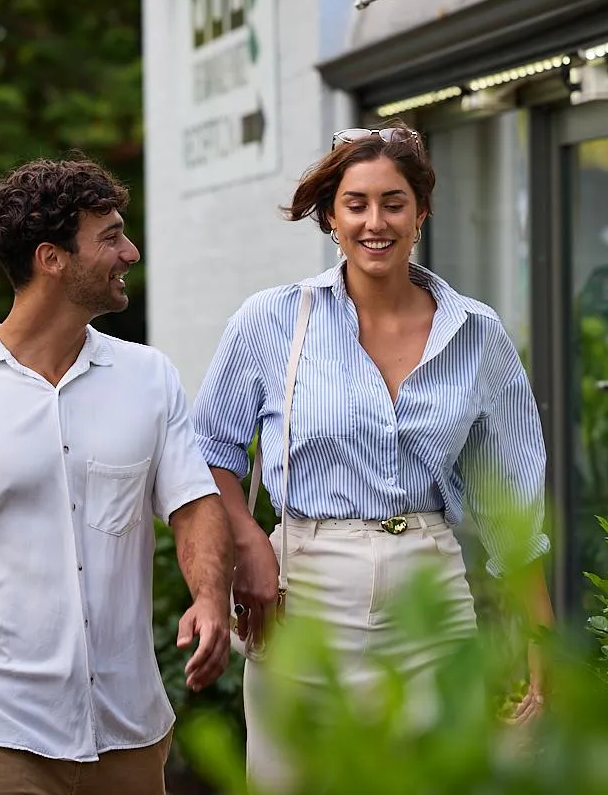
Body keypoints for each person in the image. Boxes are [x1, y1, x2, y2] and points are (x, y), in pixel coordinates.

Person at [191, 119, 554, 787]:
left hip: (430, 589)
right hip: (304, 586)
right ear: (330, 216)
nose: (374, 222)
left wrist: (542, 647)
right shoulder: (271, 321)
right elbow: (210, 446)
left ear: (422, 212)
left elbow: (513, 507)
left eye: (393, 202)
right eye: (356, 204)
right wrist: (248, 544)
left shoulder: (476, 333)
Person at [0, 157, 233, 795]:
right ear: (51, 258)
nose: (131, 252)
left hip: (130, 732)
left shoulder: (150, 379)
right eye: (110, 236)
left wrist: (208, 596)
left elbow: (193, 502)